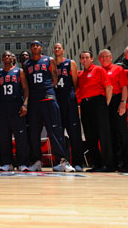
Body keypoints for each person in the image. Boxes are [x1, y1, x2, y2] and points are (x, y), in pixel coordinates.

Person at [24, 40, 75, 172]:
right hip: (34, 101)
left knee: (55, 130)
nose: (35, 47)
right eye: (33, 45)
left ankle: (61, 161)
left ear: (41, 47)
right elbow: (26, 84)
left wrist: (47, 89)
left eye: (37, 45)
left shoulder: (49, 60)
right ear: (31, 48)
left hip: (48, 97)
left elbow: (55, 77)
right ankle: (36, 161)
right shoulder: (26, 64)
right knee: (34, 133)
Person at [77, 51, 114, 172]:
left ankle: (108, 165)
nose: (85, 59)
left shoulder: (98, 70)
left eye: (87, 57)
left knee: (103, 135)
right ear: (81, 61)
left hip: (99, 102)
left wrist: (105, 104)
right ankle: (96, 164)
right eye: (82, 58)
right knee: (89, 135)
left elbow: (109, 87)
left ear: (92, 59)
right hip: (85, 105)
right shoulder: (81, 74)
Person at [98, 49, 128, 172]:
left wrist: (123, 103)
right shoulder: (99, 71)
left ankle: (127, 164)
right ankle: (114, 164)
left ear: (111, 57)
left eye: (106, 56)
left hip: (117, 100)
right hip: (104, 102)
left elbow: (124, 87)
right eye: (102, 57)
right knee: (109, 134)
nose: (104, 59)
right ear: (99, 59)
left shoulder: (118, 69)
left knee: (121, 133)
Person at [53, 43, 85, 171]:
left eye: (59, 48)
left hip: (68, 96)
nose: (56, 49)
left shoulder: (70, 63)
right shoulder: (51, 64)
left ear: (63, 50)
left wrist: (70, 95)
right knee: (59, 132)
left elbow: (76, 83)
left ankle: (78, 162)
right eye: (55, 48)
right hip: (56, 98)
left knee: (74, 132)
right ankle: (63, 162)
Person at [0, 51, 30, 172]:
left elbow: (26, 89)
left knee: (21, 136)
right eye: (4, 56)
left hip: (16, 105)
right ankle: (7, 162)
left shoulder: (19, 71)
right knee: (4, 137)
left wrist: (25, 104)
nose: (6, 57)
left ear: (12, 58)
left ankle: (22, 163)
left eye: (9, 56)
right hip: (4, 106)